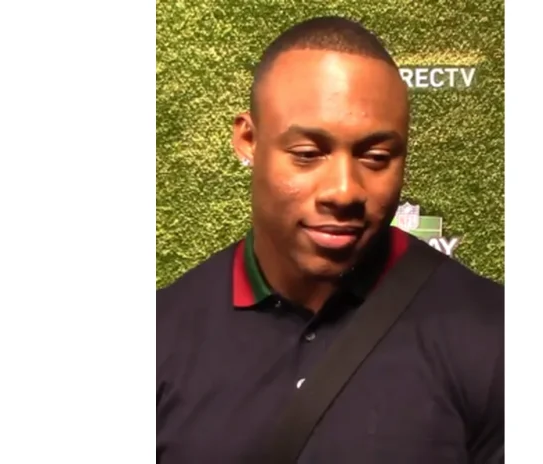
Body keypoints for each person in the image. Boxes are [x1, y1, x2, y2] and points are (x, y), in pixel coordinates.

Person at [157, 15, 503, 463]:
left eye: (376, 157)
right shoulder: (160, 336)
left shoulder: (493, 335)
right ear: (248, 140)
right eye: (307, 154)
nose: (344, 191)